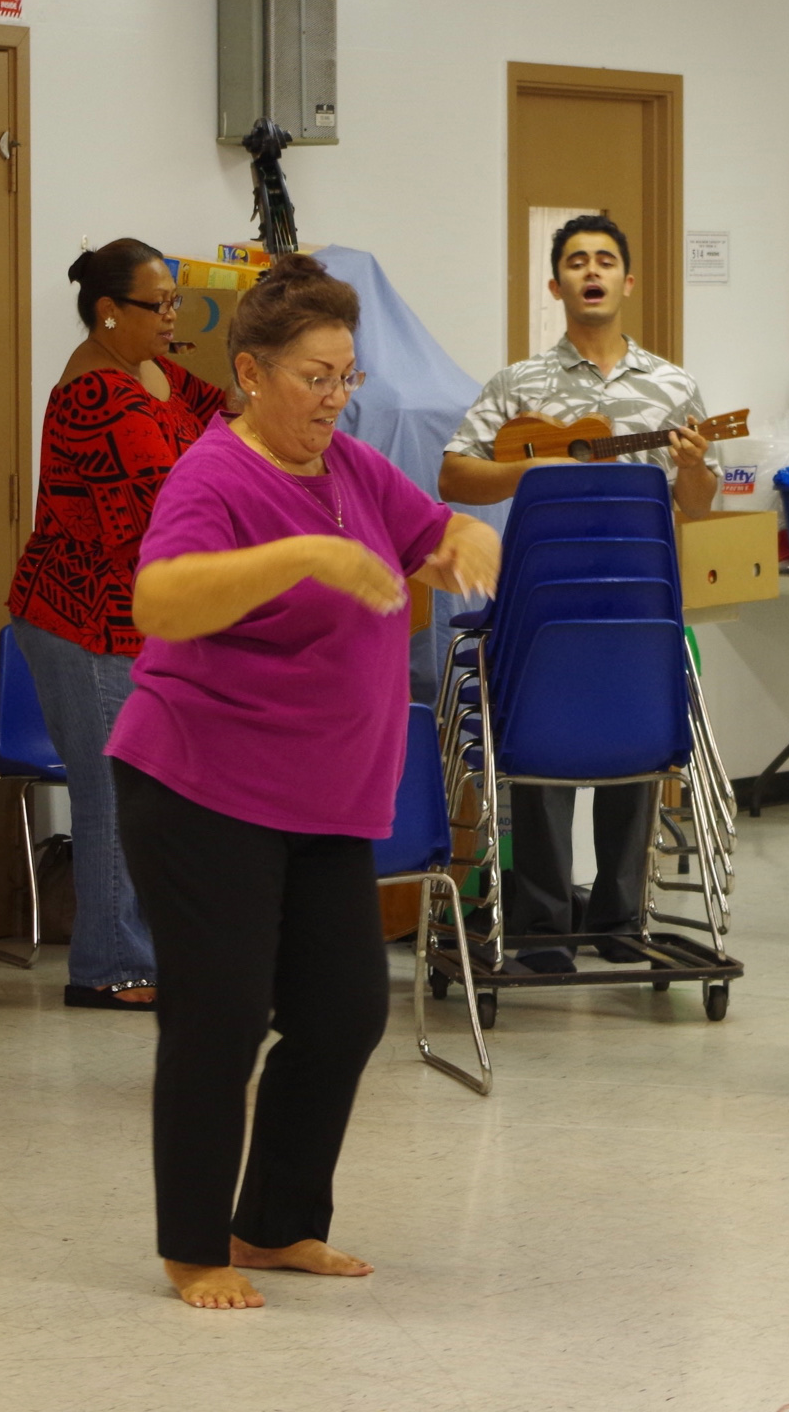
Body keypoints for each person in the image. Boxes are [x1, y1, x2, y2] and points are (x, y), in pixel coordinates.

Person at [109, 253, 499, 1308]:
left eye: (346, 376)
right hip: (199, 788)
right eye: (316, 378)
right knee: (221, 1017)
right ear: (251, 373)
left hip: (321, 801)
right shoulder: (213, 476)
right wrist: (306, 558)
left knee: (343, 1011)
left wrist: (467, 539)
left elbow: (437, 531)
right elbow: (160, 601)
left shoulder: (355, 469)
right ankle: (195, 1249)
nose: (336, 398)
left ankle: (275, 1226)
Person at [439, 213, 718, 974]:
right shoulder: (518, 384)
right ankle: (543, 927)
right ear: (556, 283)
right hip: (544, 595)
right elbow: (454, 473)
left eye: (604, 260)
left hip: (638, 599)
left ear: (628, 280)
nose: (591, 271)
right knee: (540, 747)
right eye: (576, 261)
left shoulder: (674, 385)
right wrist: (530, 470)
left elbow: (698, 505)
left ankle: (621, 919)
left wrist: (694, 465)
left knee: (637, 746)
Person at [4, 239, 222, 1010]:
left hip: (133, 620)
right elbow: (167, 508)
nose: (172, 317)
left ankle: (148, 952)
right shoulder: (97, 394)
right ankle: (109, 966)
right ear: (108, 312)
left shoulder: (155, 372)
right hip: (83, 621)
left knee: (148, 791)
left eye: (175, 302)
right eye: (157, 305)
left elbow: (223, 414)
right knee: (114, 790)